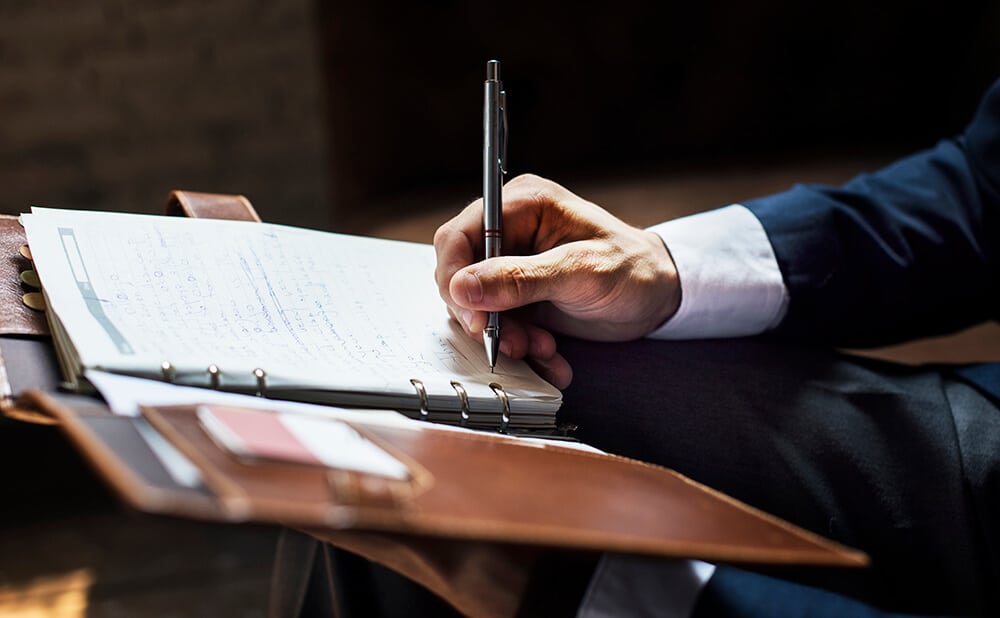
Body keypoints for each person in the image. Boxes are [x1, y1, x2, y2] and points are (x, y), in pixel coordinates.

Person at [430, 76, 1000, 616]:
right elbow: (982, 184)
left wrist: (585, 597)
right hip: (972, 428)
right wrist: (664, 270)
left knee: (453, 527)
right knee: (479, 422)